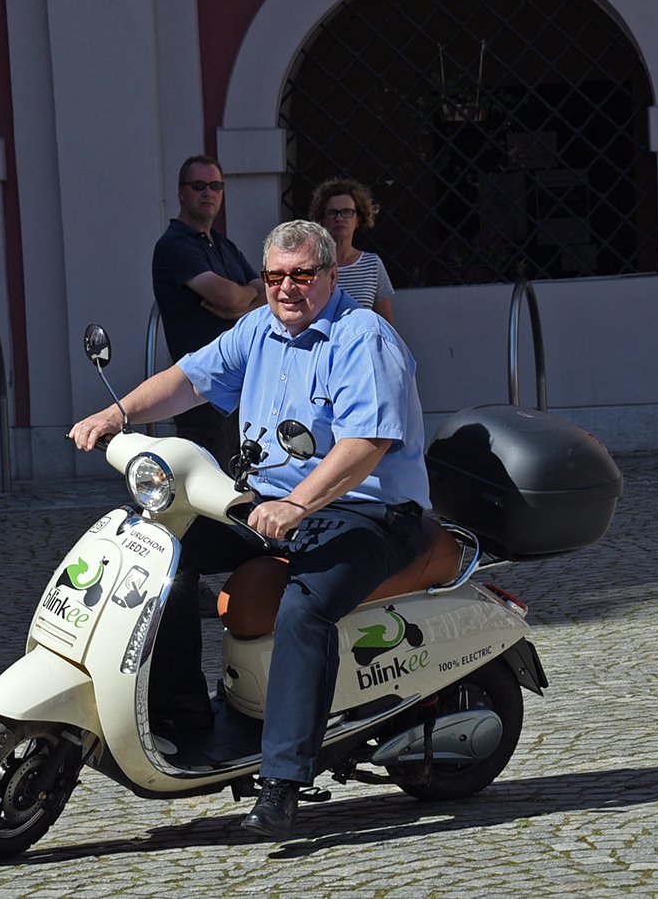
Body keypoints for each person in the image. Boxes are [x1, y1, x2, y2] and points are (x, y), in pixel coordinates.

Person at [69, 219, 431, 839]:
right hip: (270, 503)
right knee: (163, 548)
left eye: (302, 275)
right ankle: (183, 715)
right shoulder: (257, 329)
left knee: (303, 611)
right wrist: (117, 411)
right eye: (275, 276)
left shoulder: (361, 336)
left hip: (370, 510)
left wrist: (297, 504)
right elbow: (188, 380)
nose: (288, 288)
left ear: (331, 276)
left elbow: (368, 444)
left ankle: (284, 783)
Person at [151, 155, 264, 467]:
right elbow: (227, 296)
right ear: (181, 192)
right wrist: (240, 299)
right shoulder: (175, 245)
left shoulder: (223, 245)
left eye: (215, 186)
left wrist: (238, 305)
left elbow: (268, 292)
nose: (208, 193)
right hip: (201, 392)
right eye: (199, 185)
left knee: (242, 484)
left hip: (241, 386)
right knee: (210, 490)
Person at [309, 177, 397, 324]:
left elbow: (385, 323)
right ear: (322, 219)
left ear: (358, 219)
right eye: (332, 212)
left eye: (347, 212)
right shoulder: (311, 266)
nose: (339, 218)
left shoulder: (373, 265)